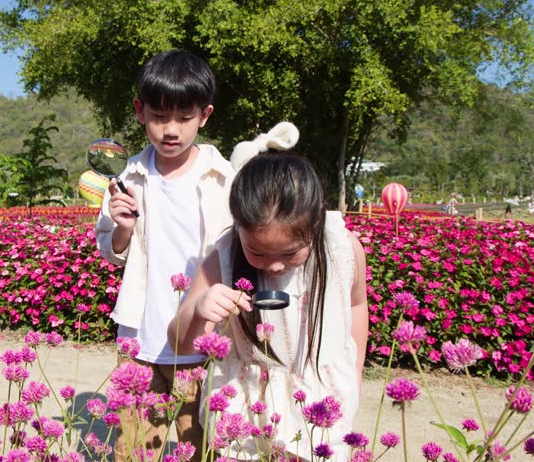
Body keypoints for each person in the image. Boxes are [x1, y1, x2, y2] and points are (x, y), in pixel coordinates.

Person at [168, 137, 369, 461]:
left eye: (291, 253)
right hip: (245, 401)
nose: (274, 265)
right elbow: (179, 344)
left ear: (316, 224)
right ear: (238, 226)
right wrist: (199, 311)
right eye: (257, 251)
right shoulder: (221, 258)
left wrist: (356, 369)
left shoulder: (342, 250)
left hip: (321, 395)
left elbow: (356, 305)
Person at [94, 49, 236, 462]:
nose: (170, 130)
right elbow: (111, 253)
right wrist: (122, 228)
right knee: (134, 448)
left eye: (184, 117)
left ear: (204, 115)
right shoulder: (127, 178)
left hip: (204, 342)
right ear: (140, 111)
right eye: (158, 116)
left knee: (200, 448)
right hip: (140, 338)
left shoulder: (224, 178)